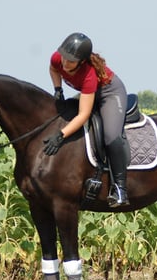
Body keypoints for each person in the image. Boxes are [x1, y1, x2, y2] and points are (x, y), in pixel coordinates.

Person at [42, 32, 130, 207]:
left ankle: (120, 189)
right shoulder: (58, 58)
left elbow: (84, 115)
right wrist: (58, 89)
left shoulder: (88, 73)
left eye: (71, 61)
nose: (65, 64)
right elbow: (53, 69)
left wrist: (61, 134)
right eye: (64, 58)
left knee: (111, 136)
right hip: (86, 93)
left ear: (82, 61)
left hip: (109, 93)